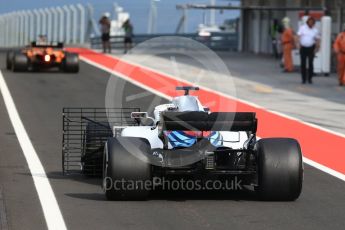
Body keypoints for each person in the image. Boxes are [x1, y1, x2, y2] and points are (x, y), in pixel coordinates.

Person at [296, 17, 320, 84]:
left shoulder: (315, 30)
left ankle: (310, 78)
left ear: (313, 23)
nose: (311, 23)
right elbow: (298, 36)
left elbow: (317, 39)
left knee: (310, 64)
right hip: (303, 48)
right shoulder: (302, 28)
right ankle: (303, 79)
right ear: (307, 22)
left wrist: (317, 48)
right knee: (303, 64)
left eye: (312, 22)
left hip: (311, 48)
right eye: (309, 22)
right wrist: (297, 44)